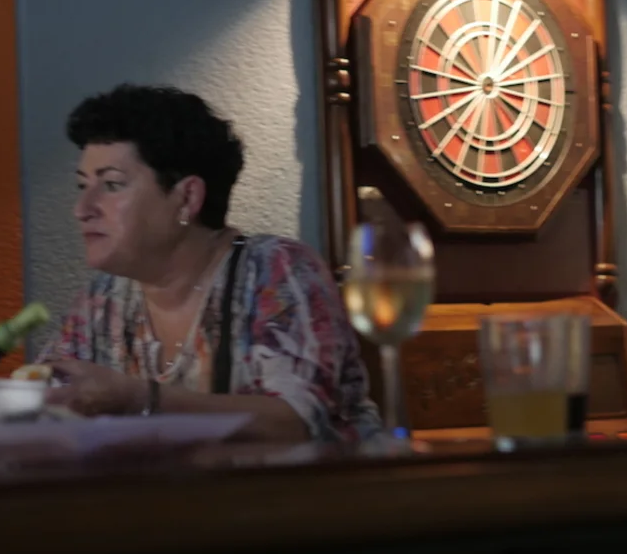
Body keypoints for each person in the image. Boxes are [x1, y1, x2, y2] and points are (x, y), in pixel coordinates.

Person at [35, 83, 382, 443]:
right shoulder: (101, 301)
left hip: (332, 480)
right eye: (82, 186)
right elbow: (43, 403)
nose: (82, 209)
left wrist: (139, 399)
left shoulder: (276, 271)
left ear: (187, 198)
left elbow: (295, 423)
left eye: (111, 185)